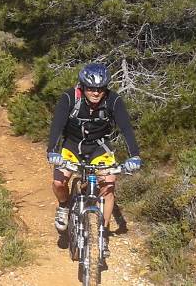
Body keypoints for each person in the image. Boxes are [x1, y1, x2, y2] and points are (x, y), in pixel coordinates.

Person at [46, 63, 142, 256]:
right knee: (59, 181)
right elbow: (57, 126)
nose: (96, 93)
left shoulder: (113, 100)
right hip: (72, 145)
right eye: (91, 88)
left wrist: (134, 155)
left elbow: (126, 128)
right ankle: (64, 206)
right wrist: (52, 151)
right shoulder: (69, 98)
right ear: (82, 86)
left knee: (108, 184)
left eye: (100, 89)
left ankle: (102, 233)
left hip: (99, 147)